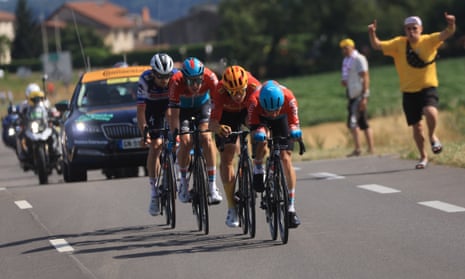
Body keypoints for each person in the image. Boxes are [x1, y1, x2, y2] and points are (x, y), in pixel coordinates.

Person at [368, 13, 456, 169]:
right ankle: (423, 156)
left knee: (430, 111)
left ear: (421, 29)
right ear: (405, 30)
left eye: (414, 28)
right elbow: (377, 45)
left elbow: (447, 33)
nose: (411, 31)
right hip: (409, 91)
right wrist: (372, 32)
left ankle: (433, 136)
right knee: (417, 126)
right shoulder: (398, 44)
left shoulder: (429, 40)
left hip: (427, 87)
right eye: (408, 29)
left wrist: (450, 24)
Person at [210, 65, 261, 228]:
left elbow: (262, 113)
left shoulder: (254, 85)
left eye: (241, 91)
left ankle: (257, 169)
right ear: (226, 90)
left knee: (259, 134)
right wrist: (219, 128)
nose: (238, 96)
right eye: (234, 93)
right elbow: (212, 123)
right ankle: (232, 207)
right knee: (228, 155)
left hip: (247, 112)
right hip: (226, 117)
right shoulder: (219, 92)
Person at [167, 57, 223, 204]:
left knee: (206, 138)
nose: (196, 85)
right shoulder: (175, 81)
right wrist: (174, 135)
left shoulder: (210, 77)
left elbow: (217, 103)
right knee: (185, 142)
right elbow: (173, 114)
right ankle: (183, 184)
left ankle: (212, 187)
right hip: (183, 110)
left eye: (199, 80)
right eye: (191, 81)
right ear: (184, 78)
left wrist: (215, 123)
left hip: (203, 107)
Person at [248, 80, 303, 228]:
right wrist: (258, 133)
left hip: (283, 118)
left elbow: (294, 123)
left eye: (275, 109)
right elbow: (253, 128)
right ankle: (258, 168)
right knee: (262, 140)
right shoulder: (254, 101)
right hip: (262, 119)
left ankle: (291, 208)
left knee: (285, 158)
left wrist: (295, 132)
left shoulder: (289, 98)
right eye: (270, 110)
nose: (273, 113)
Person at [136, 53, 176, 216]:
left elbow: (176, 109)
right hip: (152, 108)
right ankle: (154, 193)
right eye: (160, 77)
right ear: (153, 73)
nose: (164, 80)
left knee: (179, 137)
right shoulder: (144, 80)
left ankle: (178, 173)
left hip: (170, 106)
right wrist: (144, 132)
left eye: (167, 76)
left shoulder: (175, 78)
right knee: (156, 145)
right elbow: (141, 111)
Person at [339, 38, 374, 157]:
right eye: (343, 48)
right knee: (362, 122)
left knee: (354, 122)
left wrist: (365, 96)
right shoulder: (347, 60)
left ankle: (360, 148)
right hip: (352, 94)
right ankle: (368, 148)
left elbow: (365, 77)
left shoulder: (358, 59)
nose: (344, 50)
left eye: (346, 47)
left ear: (352, 47)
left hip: (359, 94)